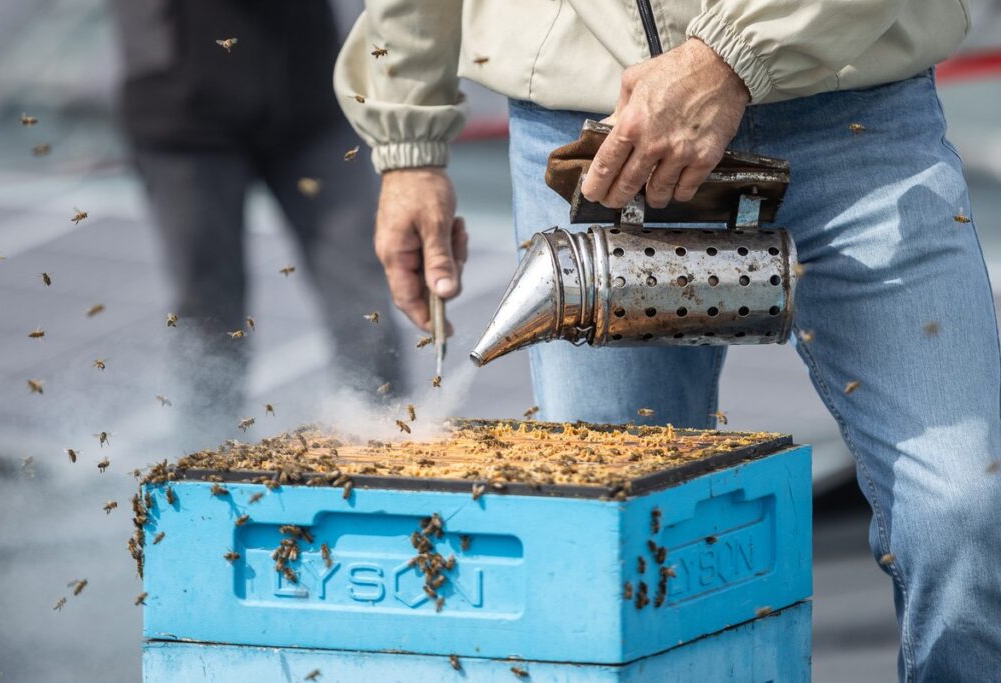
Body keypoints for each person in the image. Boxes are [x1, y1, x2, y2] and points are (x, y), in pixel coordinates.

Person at [333, 2, 1001, 680]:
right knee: (615, 558)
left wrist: (729, 56)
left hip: (857, 115)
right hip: (599, 147)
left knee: (965, 509)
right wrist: (406, 142)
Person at [113, 0, 400, 450]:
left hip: (313, 102)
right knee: (208, 311)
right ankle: (207, 474)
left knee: (364, 298)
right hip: (181, 112)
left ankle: (388, 453)